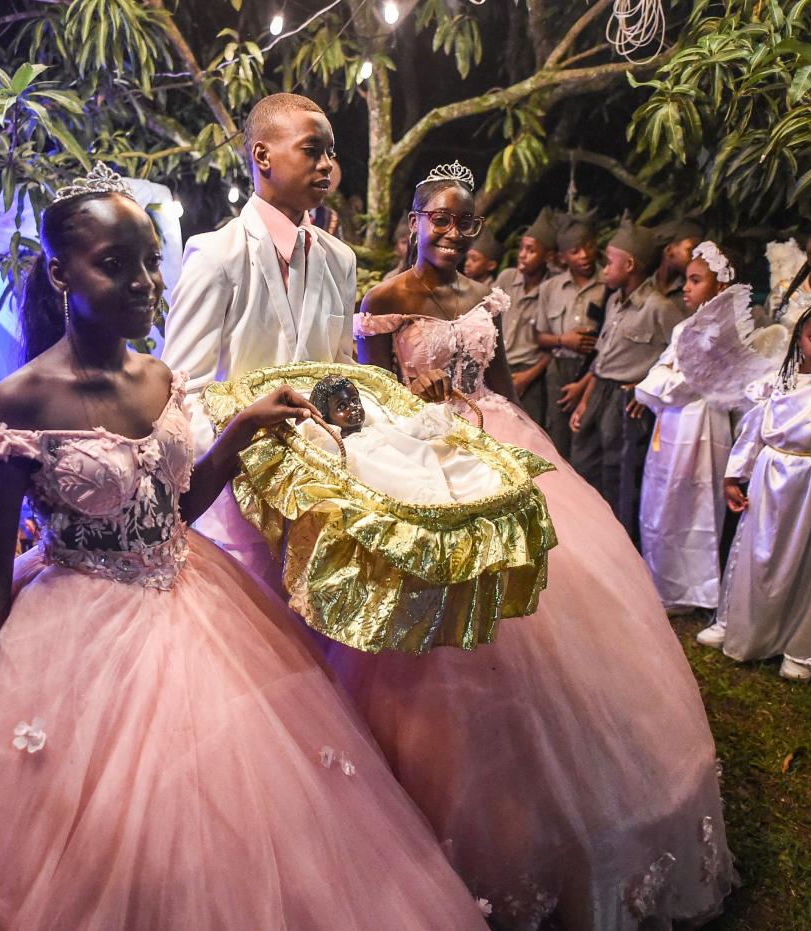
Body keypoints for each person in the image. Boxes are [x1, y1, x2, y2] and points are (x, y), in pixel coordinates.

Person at [0, 167, 489, 931]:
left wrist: (240, 430)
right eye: (116, 264)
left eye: (148, 262)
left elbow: (177, 509)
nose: (145, 283)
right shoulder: (19, 401)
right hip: (73, 633)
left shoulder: (161, 376)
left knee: (228, 815)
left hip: (196, 602)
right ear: (58, 272)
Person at [349, 162, 734, 930]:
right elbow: (376, 400)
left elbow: (500, 383)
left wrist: (531, 451)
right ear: (415, 220)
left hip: (501, 444)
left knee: (556, 609)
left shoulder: (485, 297)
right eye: (440, 220)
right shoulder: (384, 301)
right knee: (456, 632)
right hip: (424, 461)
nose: (455, 234)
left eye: (467, 223)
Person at [161, 92, 356, 587]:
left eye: (332, 153)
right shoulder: (216, 254)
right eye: (313, 150)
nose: (327, 166)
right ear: (263, 156)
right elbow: (183, 390)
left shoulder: (340, 259)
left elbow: (342, 371)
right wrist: (246, 451)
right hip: (235, 499)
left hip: (323, 495)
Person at [698, 297, 811, 680]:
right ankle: (736, 624)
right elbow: (753, 433)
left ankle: (798, 647)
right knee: (753, 552)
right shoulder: (776, 382)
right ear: (800, 337)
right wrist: (735, 475)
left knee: (808, 563)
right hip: (770, 475)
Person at [634, 242, 742, 614]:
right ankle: (662, 581)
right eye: (686, 279)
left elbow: (684, 382)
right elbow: (663, 368)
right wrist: (659, 380)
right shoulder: (687, 326)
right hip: (673, 420)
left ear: (720, 287)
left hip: (700, 424)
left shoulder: (723, 331)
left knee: (693, 503)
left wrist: (652, 386)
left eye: (696, 280)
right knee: (662, 501)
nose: (686, 287)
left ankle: (692, 589)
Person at [569, 218, 683, 539]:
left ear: (630, 264)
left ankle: (616, 542)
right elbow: (603, 359)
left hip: (624, 400)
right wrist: (585, 401)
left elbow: (683, 353)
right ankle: (587, 535)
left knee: (617, 474)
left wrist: (647, 386)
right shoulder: (615, 301)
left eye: (609, 262)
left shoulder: (658, 308)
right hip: (600, 392)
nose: (604, 269)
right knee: (583, 464)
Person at [303, 373, 503, 503]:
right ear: (326, 417)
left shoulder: (379, 429)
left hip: (412, 470)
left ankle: (441, 503)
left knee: (427, 484)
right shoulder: (341, 447)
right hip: (382, 483)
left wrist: (437, 415)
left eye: (355, 401)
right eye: (342, 407)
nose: (354, 409)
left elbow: (410, 429)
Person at [534, 211, 607, 458]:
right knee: (558, 442)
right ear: (563, 257)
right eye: (575, 251)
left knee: (588, 444)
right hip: (559, 370)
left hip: (593, 372)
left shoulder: (609, 284)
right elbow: (539, 336)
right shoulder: (550, 288)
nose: (584, 255)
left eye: (588, 247)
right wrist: (565, 340)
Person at [495, 207, 556, 424]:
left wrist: (527, 377)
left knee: (526, 434)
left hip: (528, 373)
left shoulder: (552, 290)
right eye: (521, 248)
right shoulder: (507, 278)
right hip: (499, 365)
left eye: (531, 250)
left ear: (548, 256)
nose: (522, 255)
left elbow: (555, 347)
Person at [652, 218, 704, 316]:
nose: (696, 257)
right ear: (669, 251)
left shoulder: (694, 291)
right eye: (690, 250)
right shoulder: (643, 289)